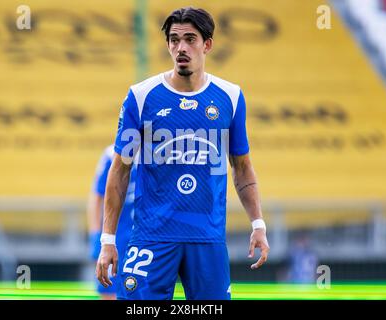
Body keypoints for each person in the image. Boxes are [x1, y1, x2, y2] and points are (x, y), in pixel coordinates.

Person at [96, 7, 269, 300]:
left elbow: (242, 167)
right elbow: (120, 169)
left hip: (208, 239)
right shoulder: (140, 97)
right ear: (167, 46)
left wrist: (258, 224)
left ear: (207, 44)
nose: (181, 47)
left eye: (190, 39)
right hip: (152, 237)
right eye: (174, 40)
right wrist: (107, 239)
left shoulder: (231, 97)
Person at [87, 144, 135, 299]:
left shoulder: (156, 152)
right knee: (109, 290)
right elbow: (97, 197)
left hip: (143, 235)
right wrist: (96, 236)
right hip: (117, 236)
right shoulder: (110, 155)